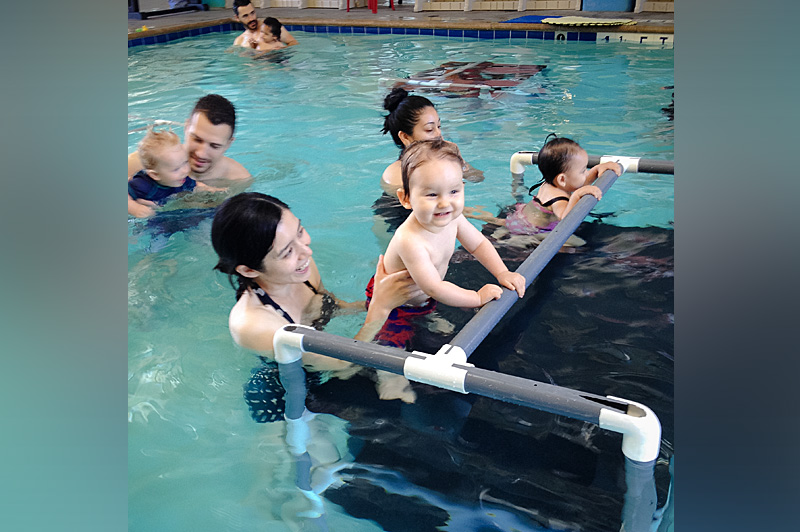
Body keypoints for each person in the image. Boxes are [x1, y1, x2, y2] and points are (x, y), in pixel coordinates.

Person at [211, 193, 423, 409]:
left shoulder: (300, 268)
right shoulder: (253, 324)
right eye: (287, 252)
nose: (306, 251)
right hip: (287, 386)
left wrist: (380, 301)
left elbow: (330, 305)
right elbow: (340, 364)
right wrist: (380, 307)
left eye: (300, 232)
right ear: (249, 270)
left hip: (335, 358)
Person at [367, 139, 525, 349]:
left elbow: (478, 245)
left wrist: (502, 273)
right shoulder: (410, 240)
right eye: (432, 194)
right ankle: (389, 379)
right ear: (406, 198)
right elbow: (435, 288)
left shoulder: (453, 218)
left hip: (425, 296)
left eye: (454, 191)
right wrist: (477, 297)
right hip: (396, 306)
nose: (444, 203)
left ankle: (426, 316)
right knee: (390, 360)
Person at [466, 135, 622, 244]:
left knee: (500, 222)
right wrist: (578, 196)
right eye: (583, 170)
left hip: (521, 216)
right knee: (578, 244)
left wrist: (598, 169)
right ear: (562, 179)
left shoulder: (550, 183)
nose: (586, 174)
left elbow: (576, 183)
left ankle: (471, 212)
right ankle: (517, 240)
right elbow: (565, 220)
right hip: (533, 230)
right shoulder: (559, 198)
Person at [127, 94, 251, 218]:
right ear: (186, 128)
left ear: (229, 143)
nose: (201, 153)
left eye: (214, 146)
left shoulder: (238, 180)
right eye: (197, 139)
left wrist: (164, 209)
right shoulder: (142, 163)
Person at [380, 87, 483, 198]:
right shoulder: (396, 174)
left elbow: (477, 178)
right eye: (429, 129)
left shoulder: (440, 160)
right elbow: (432, 206)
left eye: (439, 126)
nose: (438, 134)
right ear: (405, 137)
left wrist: (458, 161)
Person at [128, 128, 224, 217]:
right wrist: (134, 208)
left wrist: (211, 189)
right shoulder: (142, 184)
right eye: (176, 169)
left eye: (185, 162)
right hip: (154, 217)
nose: (185, 170)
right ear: (155, 175)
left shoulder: (182, 178)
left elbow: (195, 185)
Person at [232, 1, 298, 49]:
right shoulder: (239, 41)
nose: (251, 18)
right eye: (245, 16)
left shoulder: (270, 27)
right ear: (237, 18)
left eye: (252, 13)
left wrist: (277, 51)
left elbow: (294, 43)